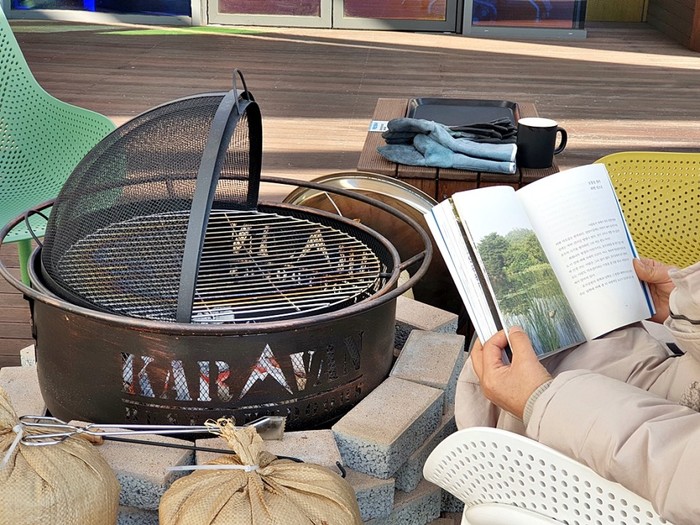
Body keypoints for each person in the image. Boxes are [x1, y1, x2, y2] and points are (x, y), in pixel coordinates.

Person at [455, 258, 700, 525]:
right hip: (665, 391)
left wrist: (542, 401)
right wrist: (687, 313)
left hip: (621, 485)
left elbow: (681, 471)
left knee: (502, 358)